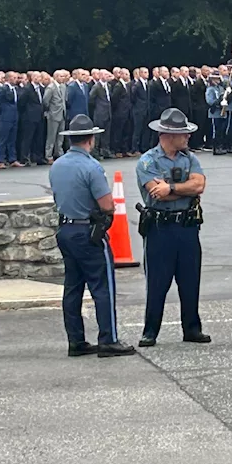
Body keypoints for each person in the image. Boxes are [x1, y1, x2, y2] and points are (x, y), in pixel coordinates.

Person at [49, 115, 135, 358]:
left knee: (73, 286)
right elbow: (107, 204)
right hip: (87, 230)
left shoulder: (57, 165)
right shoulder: (91, 167)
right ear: (91, 138)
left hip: (65, 228)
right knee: (102, 286)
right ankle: (108, 339)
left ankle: (75, 340)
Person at [136, 107, 210, 347]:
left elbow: (199, 185)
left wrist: (172, 188)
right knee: (157, 282)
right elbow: (157, 194)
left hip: (187, 226)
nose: (187, 137)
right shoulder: (148, 161)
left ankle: (192, 328)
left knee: (190, 280)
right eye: (183, 134)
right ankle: (150, 331)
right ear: (167, 135)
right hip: (160, 227)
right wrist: (178, 189)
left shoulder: (190, 158)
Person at [42, 71, 68, 163]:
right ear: (56, 77)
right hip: (53, 114)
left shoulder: (64, 86)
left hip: (62, 114)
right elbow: (45, 101)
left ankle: (59, 154)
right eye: (61, 76)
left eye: (64, 76)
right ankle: (48, 155)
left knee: (60, 136)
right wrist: (49, 111)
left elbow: (64, 99)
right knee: (51, 136)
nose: (63, 78)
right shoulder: (51, 87)